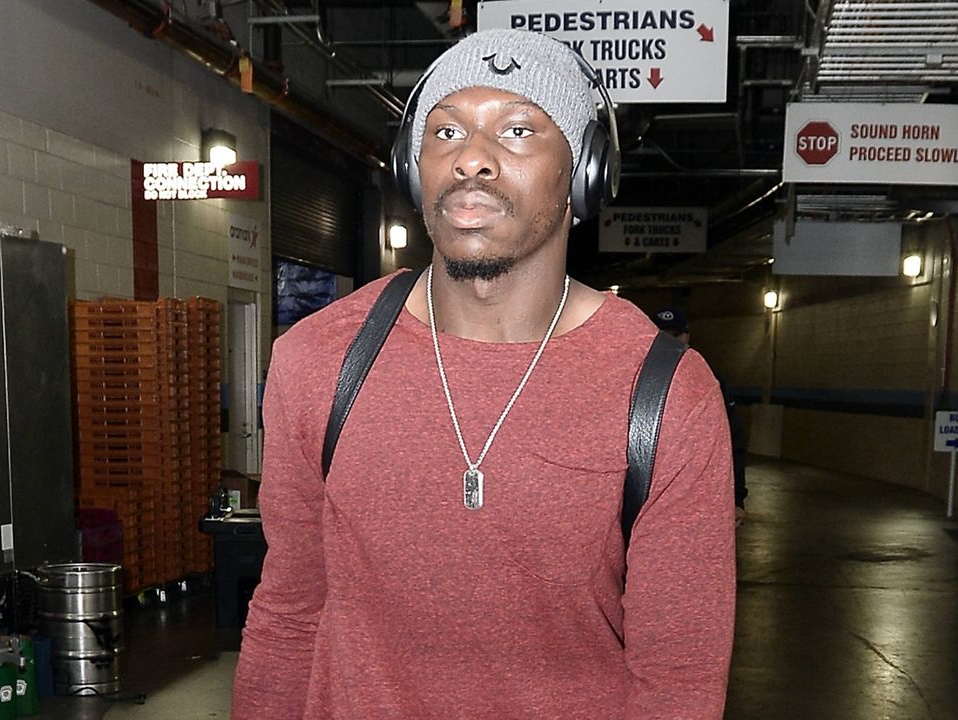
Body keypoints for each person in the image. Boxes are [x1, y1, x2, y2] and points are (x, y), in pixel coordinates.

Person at [233, 29, 735, 720]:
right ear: (415, 168)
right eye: (446, 131)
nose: (472, 158)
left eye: (519, 129)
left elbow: (678, 677)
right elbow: (288, 617)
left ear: (583, 174)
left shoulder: (664, 393)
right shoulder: (318, 361)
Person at [652, 307, 749, 526]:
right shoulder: (635, 382)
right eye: (661, 335)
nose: (669, 343)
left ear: (687, 336)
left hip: (699, 496)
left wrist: (736, 497)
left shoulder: (710, 381)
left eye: (675, 335)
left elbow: (732, 440)